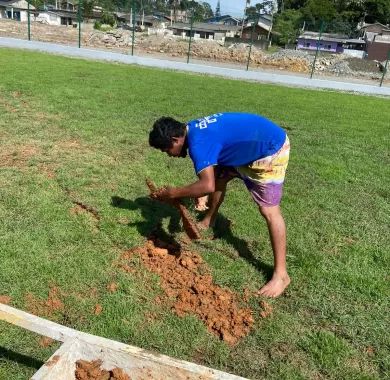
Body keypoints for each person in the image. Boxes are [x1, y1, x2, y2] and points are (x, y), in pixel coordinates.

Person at [148, 112, 291, 298]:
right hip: (250, 144)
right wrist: (200, 193)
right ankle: (209, 221)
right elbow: (211, 177)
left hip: (270, 149)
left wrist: (173, 193)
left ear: (176, 140)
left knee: (269, 211)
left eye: (166, 150)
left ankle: (281, 275)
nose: (169, 155)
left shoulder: (198, 144)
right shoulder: (191, 129)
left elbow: (207, 185)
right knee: (219, 176)